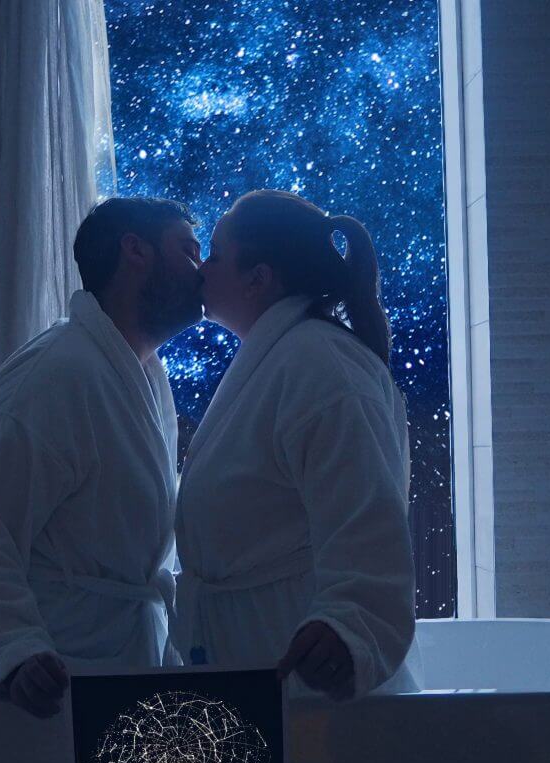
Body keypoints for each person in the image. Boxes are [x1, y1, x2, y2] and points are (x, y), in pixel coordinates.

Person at [0, 197, 204, 715]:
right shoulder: (56, 375)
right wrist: (11, 653)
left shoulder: (140, 378)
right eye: (189, 251)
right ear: (136, 251)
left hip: (87, 668)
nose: (202, 271)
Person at [173, 189, 421, 699]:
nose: (201, 270)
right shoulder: (285, 360)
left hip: (310, 676)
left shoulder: (323, 369)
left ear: (259, 278)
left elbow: (369, 521)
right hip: (263, 659)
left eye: (216, 255)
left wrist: (349, 629)